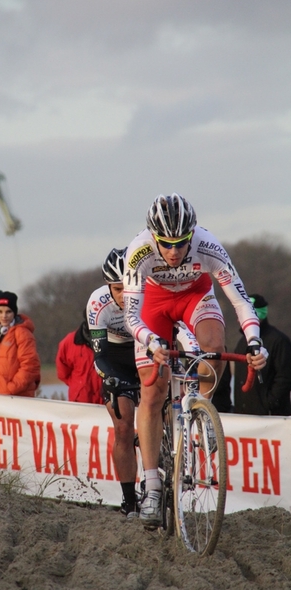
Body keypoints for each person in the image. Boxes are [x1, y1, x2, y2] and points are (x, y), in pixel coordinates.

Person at [123, 193, 267, 529]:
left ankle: (201, 408)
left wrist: (255, 341)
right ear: (153, 237)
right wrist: (150, 340)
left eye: (181, 243)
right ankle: (154, 487)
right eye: (166, 244)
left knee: (214, 347)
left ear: (192, 234)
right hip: (154, 305)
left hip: (196, 295)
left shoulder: (208, 245)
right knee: (153, 391)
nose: (174, 252)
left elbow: (241, 300)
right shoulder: (139, 251)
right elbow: (131, 315)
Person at [86, 248, 141, 519]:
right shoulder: (98, 303)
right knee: (123, 426)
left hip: (145, 349)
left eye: (128, 287)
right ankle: (130, 499)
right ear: (109, 286)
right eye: (118, 289)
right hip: (115, 357)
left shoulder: (148, 291)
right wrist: (111, 379)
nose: (124, 295)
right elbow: (100, 356)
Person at [233, 294, 291, 415]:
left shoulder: (278, 341)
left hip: (269, 417)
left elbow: (284, 378)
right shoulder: (242, 342)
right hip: (242, 415)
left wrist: (269, 404)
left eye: (242, 316)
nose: (238, 320)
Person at [0, 292, 41, 396]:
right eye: (0, 311)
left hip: (16, 397)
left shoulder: (23, 333)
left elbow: (30, 366)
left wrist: (10, 389)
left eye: (8, 312)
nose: (4, 316)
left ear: (14, 312)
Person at [56, 313, 103, 404]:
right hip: (79, 405)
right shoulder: (69, 342)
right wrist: (78, 386)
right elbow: (62, 373)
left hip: (106, 406)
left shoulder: (115, 341)